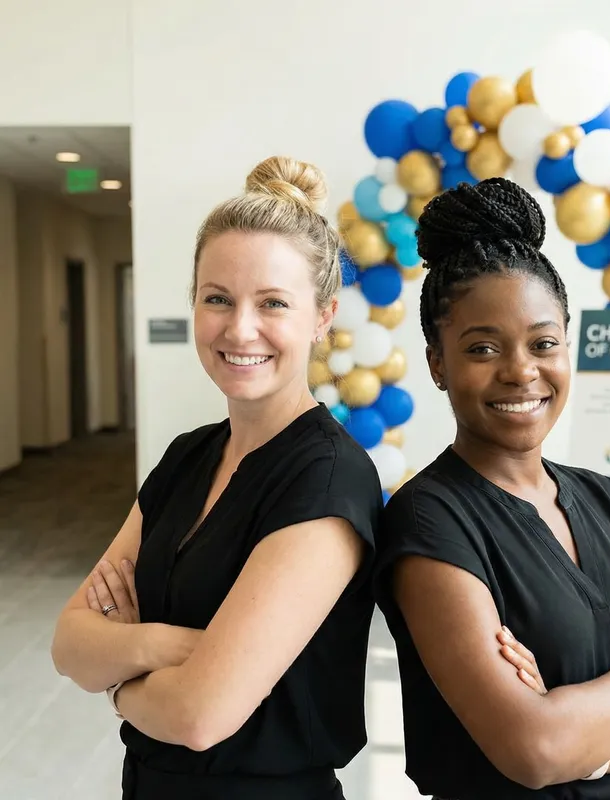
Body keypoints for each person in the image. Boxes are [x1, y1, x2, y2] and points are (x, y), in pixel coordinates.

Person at [373, 178, 610, 800]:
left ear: (567, 345)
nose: (520, 370)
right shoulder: (429, 521)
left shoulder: (604, 498)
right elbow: (535, 752)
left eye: (543, 343)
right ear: (436, 364)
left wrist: (581, 746)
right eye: (482, 348)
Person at [51, 156, 384, 800]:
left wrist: (118, 674)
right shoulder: (187, 457)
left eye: (273, 304)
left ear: (322, 316)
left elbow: (201, 716)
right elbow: (70, 645)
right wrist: (170, 648)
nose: (240, 328)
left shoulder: (328, 479)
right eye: (218, 299)